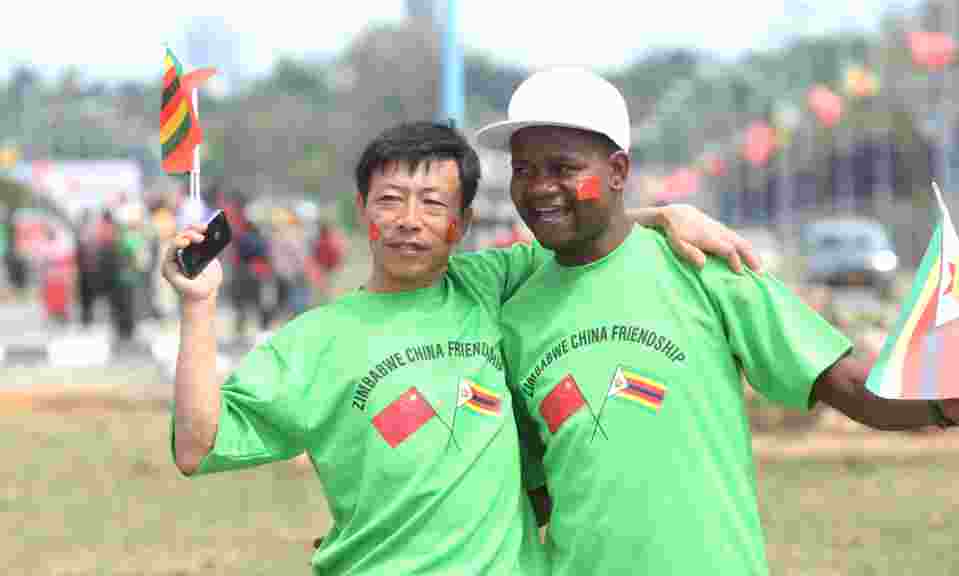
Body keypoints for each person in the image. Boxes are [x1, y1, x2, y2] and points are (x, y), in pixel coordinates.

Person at [163, 121, 762, 575]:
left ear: (463, 223)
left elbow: (591, 230)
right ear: (362, 212)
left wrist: (664, 214)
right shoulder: (316, 341)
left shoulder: (492, 285)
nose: (409, 221)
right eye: (390, 200)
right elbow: (197, 445)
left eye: (433, 204)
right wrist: (198, 306)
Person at [477, 67, 959, 576]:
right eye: (524, 170)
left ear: (617, 171)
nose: (540, 187)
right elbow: (531, 490)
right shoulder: (516, 318)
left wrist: (938, 404)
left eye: (563, 168)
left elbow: (845, 384)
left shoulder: (704, 267)